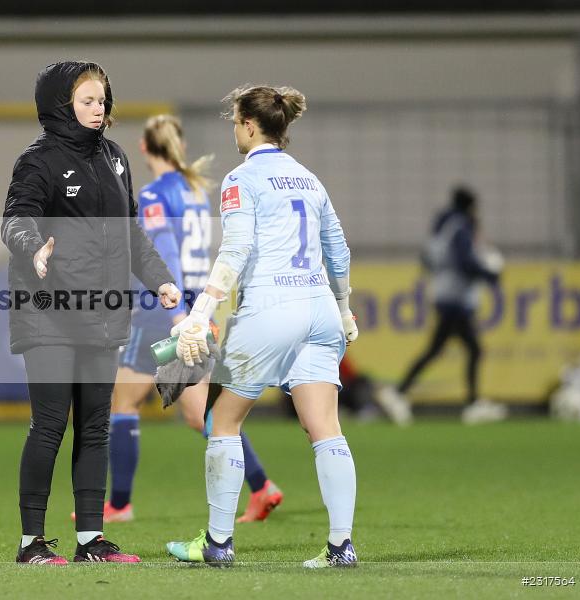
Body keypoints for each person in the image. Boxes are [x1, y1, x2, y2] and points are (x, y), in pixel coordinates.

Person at [165, 85, 359, 568]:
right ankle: (341, 547)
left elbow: (237, 249)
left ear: (249, 126)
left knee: (221, 420)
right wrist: (344, 310)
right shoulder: (309, 179)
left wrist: (200, 313)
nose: (234, 130)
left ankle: (218, 543)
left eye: (235, 122)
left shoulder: (241, 179)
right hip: (320, 309)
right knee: (326, 429)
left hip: (271, 308)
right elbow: (337, 249)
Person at [1, 61, 181, 565]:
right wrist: (33, 248)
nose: (99, 108)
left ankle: (91, 541)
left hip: (101, 313)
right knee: (50, 425)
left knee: (95, 427)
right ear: (61, 105)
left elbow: (131, 233)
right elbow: (15, 220)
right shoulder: (36, 161)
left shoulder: (115, 158)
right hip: (49, 312)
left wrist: (162, 280)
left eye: (102, 100)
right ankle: (31, 544)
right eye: (87, 100)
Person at [98, 114, 283, 525]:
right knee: (202, 414)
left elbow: (164, 254)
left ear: (144, 148)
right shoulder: (194, 191)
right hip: (196, 309)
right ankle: (261, 485)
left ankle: (120, 505)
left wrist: (176, 315)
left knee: (124, 403)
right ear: (178, 145)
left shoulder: (154, 196)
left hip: (163, 314)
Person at [376, 187, 505, 425]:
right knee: (468, 349)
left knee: (446, 349)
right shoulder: (461, 228)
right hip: (456, 298)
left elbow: (429, 258)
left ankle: (401, 393)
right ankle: (469, 403)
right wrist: (489, 274)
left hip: (445, 294)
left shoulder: (444, 226)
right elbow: (465, 261)